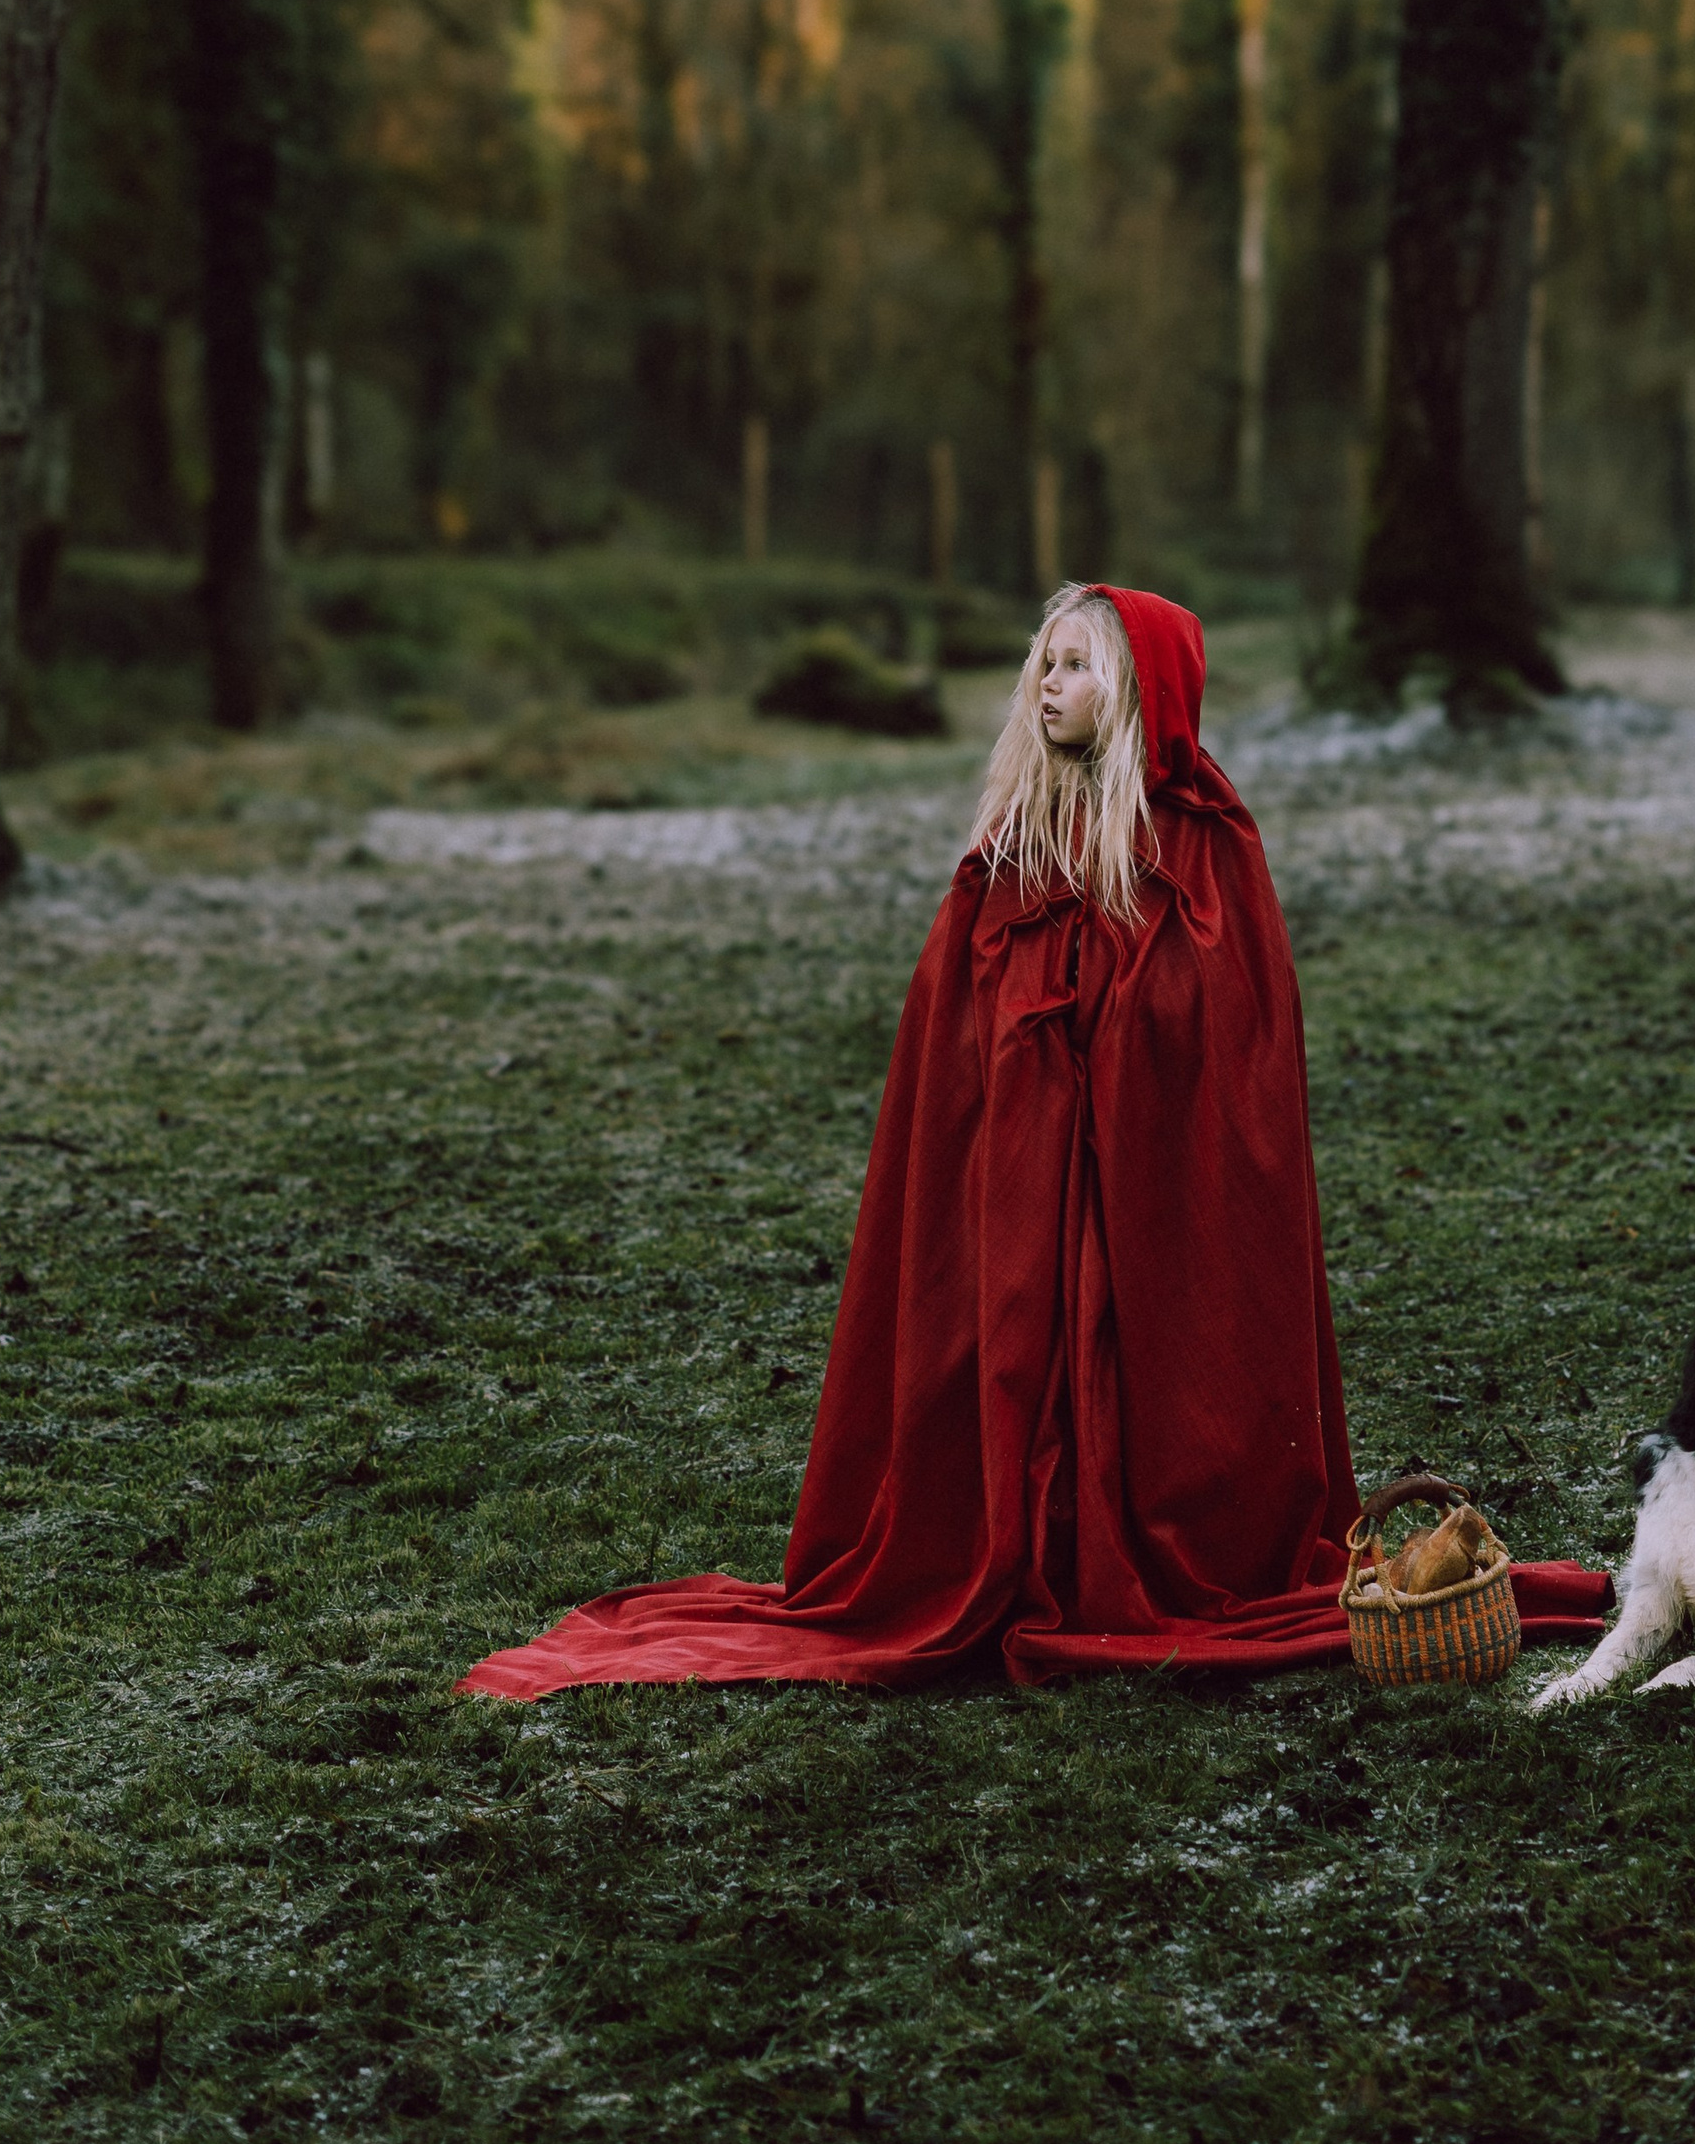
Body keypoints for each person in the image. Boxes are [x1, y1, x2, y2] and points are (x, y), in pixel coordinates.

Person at [458, 582, 1606, 1697]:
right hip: (1019, 1188)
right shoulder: (1009, 850)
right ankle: (1016, 1539)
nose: (1048, 685)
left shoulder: (1206, 851)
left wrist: (1115, 1068)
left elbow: (1226, 1054)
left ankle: (1131, 1540)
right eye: (1041, 665)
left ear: (1139, 690)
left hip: (1146, 1210)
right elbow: (950, 1042)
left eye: (1075, 666)